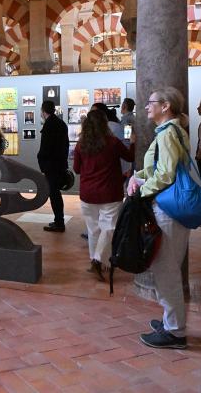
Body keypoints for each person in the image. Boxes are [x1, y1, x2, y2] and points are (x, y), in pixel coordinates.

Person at [128, 87, 191, 349]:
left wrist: (140, 190)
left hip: (167, 209)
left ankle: (175, 332)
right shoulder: (171, 132)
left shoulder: (167, 134)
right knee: (167, 268)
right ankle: (170, 322)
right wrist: (138, 174)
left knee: (166, 272)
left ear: (165, 106)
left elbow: (165, 175)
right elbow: (160, 167)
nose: (146, 106)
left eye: (151, 102)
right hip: (172, 209)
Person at [74, 111, 134, 281]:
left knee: (93, 229)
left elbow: (77, 169)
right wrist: (134, 143)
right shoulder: (113, 142)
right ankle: (99, 259)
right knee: (109, 227)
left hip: (87, 193)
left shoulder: (81, 144)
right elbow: (129, 156)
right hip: (109, 192)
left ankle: (96, 260)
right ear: (104, 124)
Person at [38, 100, 70, 232]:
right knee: (55, 193)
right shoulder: (61, 123)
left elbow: (45, 148)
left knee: (54, 194)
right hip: (59, 163)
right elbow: (66, 145)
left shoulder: (49, 125)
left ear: (43, 111)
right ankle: (59, 220)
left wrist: (43, 164)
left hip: (51, 165)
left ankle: (59, 222)